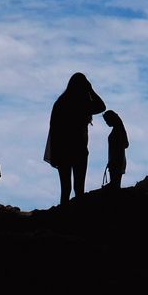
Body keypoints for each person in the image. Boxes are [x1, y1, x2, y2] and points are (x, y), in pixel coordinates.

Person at [44, 72, 105, 205]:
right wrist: (91, 89)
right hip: (79, 149)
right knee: (79, 188)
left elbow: (54, 130)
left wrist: (54, 153)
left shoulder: (61, 103)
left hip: (63, 150)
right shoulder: (83, 104)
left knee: (65, 189)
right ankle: (77, 215)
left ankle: (64, 214)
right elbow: (101, 106)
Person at [102, 109, 129, 190]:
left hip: (116, 161)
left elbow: (119, 148)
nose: (106, 123)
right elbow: (125, 145)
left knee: (114, 186)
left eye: (107, 120)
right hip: (117, 161)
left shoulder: (117, 131)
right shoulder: (119, 130)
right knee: (115, 186)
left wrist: (112, 160)